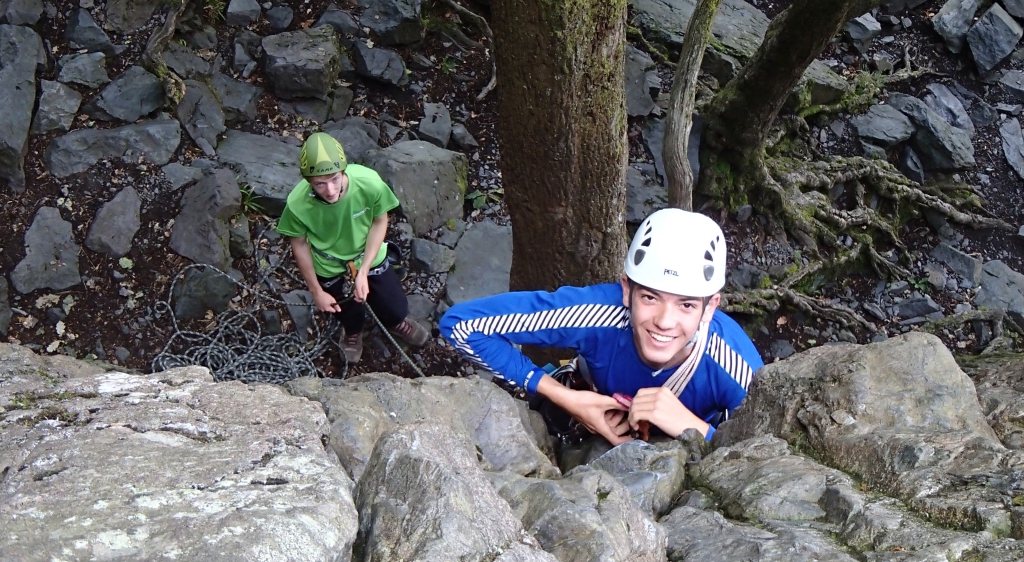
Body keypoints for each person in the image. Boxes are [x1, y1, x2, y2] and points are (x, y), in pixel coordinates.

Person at [439, 209, 764, 445]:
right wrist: (566, 398)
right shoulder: (597, 315)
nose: (664, 321)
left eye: (687, 304)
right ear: (627, 290)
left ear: (711, 308)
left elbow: (769, 459)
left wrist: (694, 429)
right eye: (650, 297)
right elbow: (462, 326)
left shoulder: (733, 363)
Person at [277, 132, 429, 363]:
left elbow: (380, 220)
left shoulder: (369, 184)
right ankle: (352, 332)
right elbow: (298, 244)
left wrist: (364, 270)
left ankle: (396, 322)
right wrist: (317, 291)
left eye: (335, 179)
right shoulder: (297, 204)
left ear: (344, 172)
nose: (330, 190)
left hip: (368, 256)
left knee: (396, 309)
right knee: (347, 313)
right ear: (308, 181)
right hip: (329, 264)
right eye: (320, 184)